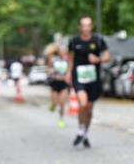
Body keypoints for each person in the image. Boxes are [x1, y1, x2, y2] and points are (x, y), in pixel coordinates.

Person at [66, 16, 110, 148]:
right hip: (79, 77)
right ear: (80, 27)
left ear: (91, 27)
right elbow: (70, 58)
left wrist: (97, 59)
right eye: (83, 25)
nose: (86, 28)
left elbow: (107, 56)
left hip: (93, 79)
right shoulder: (74, 41)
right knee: (83, 104)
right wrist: (68, 72)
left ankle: (84, 133)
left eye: (88, 25)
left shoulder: (98, 40)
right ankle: (80, 129)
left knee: (89, 110)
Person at [47, 45, 71, 128]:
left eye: (64, 50)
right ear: (58, 51)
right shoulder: (53, 59)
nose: (63, 52)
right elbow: (48, 69)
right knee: (55, 102)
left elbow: (69, 70)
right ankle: (53, 105)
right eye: (61, 50)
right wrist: (51, 72)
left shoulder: (68, 59)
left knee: (62, 102)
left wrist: (68, 75)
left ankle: (61, 119)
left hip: (64, 83)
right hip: (55, 83)